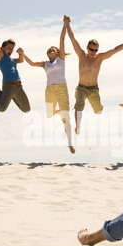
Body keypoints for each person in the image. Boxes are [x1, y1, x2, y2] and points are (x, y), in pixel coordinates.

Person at [66, 16, 123, 134]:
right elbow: (73, 39)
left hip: (93, 90)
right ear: (87, 48)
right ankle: (77, 126)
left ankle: (99, 108)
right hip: (81, 88)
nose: (93, 53)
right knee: (79, 102)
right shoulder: (81, 55)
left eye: (96, 50)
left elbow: (115, 50)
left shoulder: (99, 58)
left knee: (98, 111)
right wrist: (67, 24)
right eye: (92, 50)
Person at [20, 16, 75, 154]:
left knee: (66, 118)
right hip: (49, 90)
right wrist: (22, 54)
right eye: (49, 49)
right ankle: (60, 112)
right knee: (49, 114)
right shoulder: (45, 64)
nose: (51, 49)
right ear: (47, 53)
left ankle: (70, 144)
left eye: (53, 49)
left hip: (61, 88)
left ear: (57, 52)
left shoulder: (61, 60)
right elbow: (32, 63)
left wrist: (65, 24)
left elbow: (62, 39)